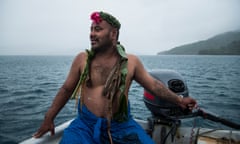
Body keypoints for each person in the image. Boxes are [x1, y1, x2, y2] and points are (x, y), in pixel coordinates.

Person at [34, 11, 197, 144]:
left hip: (121, 125)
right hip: (85, 125)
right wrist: (49, 117)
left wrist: (179, 100)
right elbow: (66, 89)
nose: (91, 34)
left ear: (113, 34)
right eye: (91, 29)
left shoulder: (131, 62)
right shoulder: (82, 59)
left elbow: (153, 86)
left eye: (97, 29)